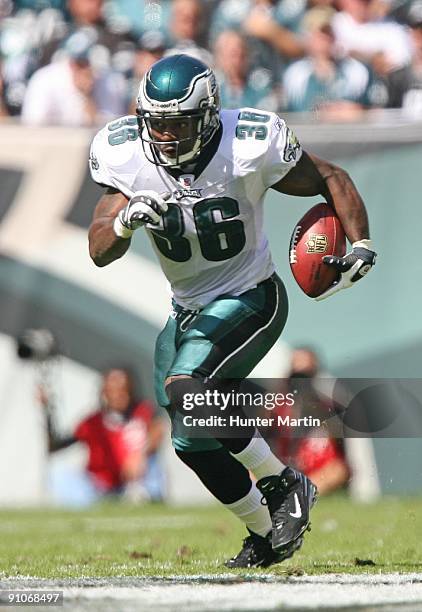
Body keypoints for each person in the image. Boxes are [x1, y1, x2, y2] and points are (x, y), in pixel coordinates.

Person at [87, 54, 376, 568]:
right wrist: (126, 222)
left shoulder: (248, 143)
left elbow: (331, 176)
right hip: (186, 311)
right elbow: (99, 248)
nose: (168, 137)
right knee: (188, 439)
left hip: (251, 295)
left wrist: (361, 245)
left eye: (180, 124)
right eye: (159, 124)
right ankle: (267, 533)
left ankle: (285, 482)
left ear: (209, 116)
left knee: (187, 388)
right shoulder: (125, 153)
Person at [39, 367, 166, 504]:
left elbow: (158, 430)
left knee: (153, 464)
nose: (117, 395)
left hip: (135, 480)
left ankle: (146, 497)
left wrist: (141, 454)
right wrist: (47, 410)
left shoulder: (143, 412)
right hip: (101, 485)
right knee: (57, 474)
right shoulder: (92, 422)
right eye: (111, 390)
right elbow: (55, 445)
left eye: (122, 390)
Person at [271, 347, 350, 495]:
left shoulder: (328, 403)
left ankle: (300, 494)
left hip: (321, 471)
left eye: (306, 374)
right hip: (289, 469)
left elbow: (341, 458)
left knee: (336, 472)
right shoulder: (279, 406)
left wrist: (316, 403)